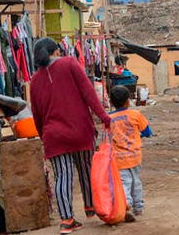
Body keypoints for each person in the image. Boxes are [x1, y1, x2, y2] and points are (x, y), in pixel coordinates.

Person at [30, 37, 111, 234]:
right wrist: (104, 118)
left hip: (53, 135)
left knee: (62, 176)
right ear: (56, 51)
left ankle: (67, 220)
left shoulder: (34, 80)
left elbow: (37, 114)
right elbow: (88, 93)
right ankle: (92, 207)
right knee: (86, 168)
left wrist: (44, 137)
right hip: (80, 129)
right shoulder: (69, 63)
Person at [108, 85, 153, 222]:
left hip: (119, 158)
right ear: (128, 101)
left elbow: (107, 136)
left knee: (124, 183)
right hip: (135, 156)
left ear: (111, 102)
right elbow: (147, 132)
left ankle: (125, 204)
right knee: (136, 182)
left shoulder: (109, 118)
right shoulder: (135, 115)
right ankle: (138, 208)